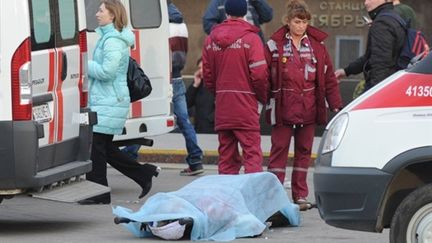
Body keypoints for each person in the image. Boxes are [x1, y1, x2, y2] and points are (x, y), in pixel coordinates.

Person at [264, 0, 343, 210]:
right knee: (279, 150)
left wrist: (336, 105)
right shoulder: (274, 45)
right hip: (282, 108)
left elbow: (328, 78)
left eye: (305, 22)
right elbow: (263, 77)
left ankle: (300, 195)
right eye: (297, 21)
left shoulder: (318, 47)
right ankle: (275, 196)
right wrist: (259, 102)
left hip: (308, 108)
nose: (301, 26)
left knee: (304, 151)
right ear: (288, 21)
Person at [81, 0, 159, 205]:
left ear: (112, 15)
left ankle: (98, 193)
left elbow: (107, 72)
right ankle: (143, 174)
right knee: (105, 149)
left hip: (109, 101)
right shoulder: (108, 37)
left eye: (101, 10)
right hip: (107, 100)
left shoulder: (113, 41)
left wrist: (84, 64)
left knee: (96, 148)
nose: (97, 14)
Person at [202, 0, 268, 175]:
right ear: (245, 12)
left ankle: (226, 199)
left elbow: (207, 75)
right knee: (252, 155)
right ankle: (252, 198)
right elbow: (260, 74)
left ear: (226, 12)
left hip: (223, 105)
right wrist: (262, 97)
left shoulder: (210, 40)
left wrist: (219, 94)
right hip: (246, 106)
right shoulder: (252, 38)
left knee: (226, 158)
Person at [334, 0, 405, 92]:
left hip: (382, 89)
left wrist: (375, 94)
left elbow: (380, 64)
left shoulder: (382, 23)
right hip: (391, 85)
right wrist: (346, 71)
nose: (366, 3)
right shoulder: (393, 18)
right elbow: (370, 57)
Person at [168, 1, 205, 176]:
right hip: (177, 76)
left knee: (149, 116)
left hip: (164, 77)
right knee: (184, 120)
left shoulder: (162, 23)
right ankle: (195, 159)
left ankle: (130, 154)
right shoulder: (180, 23)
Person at [202, 0, 273, 42]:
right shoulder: (219, 2)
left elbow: (267, 17)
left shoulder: (253, 2)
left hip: (254, 43)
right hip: (232, 46)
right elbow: (207, 23)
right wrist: (225, 34)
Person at [185, 58, 215, 134]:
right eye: (199, 68)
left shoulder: (219, 84)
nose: (201, 70)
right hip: (199, 128)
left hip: (213, 129)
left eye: (203, 68)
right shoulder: (198, 84)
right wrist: (195, 85)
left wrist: (210, 119)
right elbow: (187, 103)